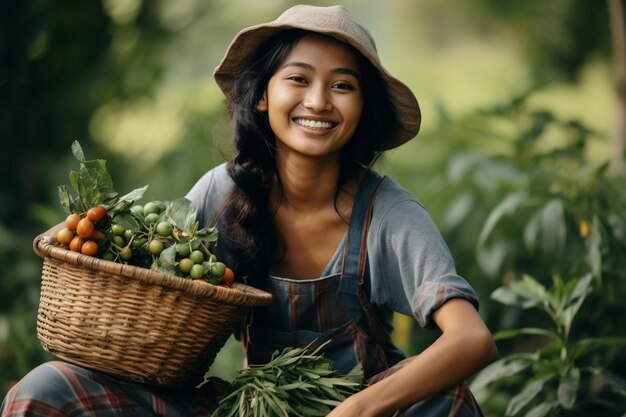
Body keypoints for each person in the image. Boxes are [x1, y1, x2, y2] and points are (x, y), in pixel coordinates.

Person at [1, 4, 497, 417]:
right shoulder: (223, 192)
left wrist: (360, 409)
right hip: (252, 405)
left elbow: (472, 340)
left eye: (343, 86)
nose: (319, 101)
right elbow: (151, 278)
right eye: (298, 79)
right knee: (46, 391)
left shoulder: (387, 215)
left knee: (449, 403)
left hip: (367, 402)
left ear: (364, 108)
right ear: (262, 96)